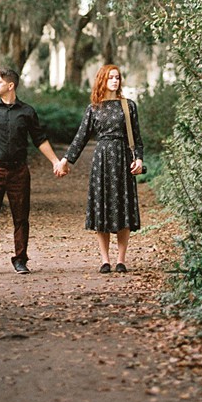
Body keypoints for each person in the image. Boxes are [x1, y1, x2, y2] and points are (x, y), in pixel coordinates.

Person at [0, 67, 65, 275]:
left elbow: (39, 139)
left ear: (10, 85)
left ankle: (20, 259)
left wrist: (55, 161)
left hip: (18, 171)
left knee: (21, 217)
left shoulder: (27, 112)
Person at [56, 63, 144, 273]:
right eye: (111, 77)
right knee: (102, 208)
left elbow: (137, 138)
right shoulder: (94, 108)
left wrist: (139, 159)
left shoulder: (128, 105)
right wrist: (66, 160)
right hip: (102, 160)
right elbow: (81, 137)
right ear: (102, 81)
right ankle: (105, 260)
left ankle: (121, 260)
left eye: (118, 77)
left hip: (123, 158)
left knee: (123, 209)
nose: (115, 80)